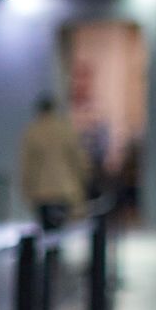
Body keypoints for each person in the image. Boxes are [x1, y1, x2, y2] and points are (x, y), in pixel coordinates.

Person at [20, 95, 90, 231]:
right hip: (64, 189)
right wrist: (82, 182)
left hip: (41, 191)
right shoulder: (65, 130)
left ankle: (49, 251)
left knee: (45, 230)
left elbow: (26, 165)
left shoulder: (32, 131)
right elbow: (78, 160)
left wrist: (26, 189)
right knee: (59, 231)